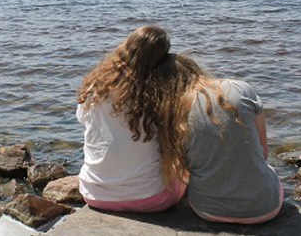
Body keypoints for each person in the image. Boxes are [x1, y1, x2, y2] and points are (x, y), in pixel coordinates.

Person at [157, 53, 282, 224]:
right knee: (268, 170)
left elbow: (181, 170)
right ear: (195, 69)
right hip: (265, 209)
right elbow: (264, 153)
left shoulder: (172, 112)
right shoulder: (240, 88)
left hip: (207, 211)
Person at [76, 26, 186, 213]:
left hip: (94, 194)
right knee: (184, 172)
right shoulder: (158, 94)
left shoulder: (95, 86)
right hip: (152, 199)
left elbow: (82, 120)